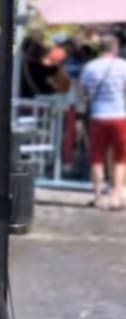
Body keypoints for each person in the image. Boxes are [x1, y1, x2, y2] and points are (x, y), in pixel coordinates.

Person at [79, 34, 126, 210]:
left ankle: (98, 195)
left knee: (97, 158)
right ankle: (116, 195)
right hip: (119, 116)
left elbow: (83, 93)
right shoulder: (123, 66)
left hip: (98, 116)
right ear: (116, 48)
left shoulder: (90, 67)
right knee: (121, 158)